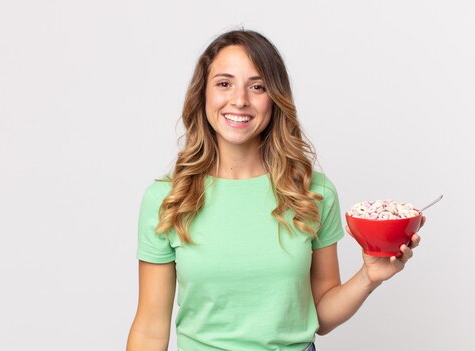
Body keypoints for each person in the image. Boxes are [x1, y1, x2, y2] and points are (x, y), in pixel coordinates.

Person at [126, 29, 424, 351]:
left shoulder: (313, 193)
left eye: (257, 87)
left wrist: (369, 277)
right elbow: (150, 329)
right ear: (203, 94)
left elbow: (320, 315)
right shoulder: (168, 199)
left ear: (275, 98)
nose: (239, 99)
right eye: (224, 83)